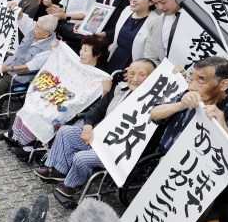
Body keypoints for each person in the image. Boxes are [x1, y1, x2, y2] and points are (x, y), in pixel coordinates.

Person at [150, 56, 228, 203]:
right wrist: (180, 105)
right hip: (164, 163)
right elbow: (154, 115)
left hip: (198, 184)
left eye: (201, 80)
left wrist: (226, 130)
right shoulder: (186, 96)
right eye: (191, 78)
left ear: (223, 84)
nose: (192, 86)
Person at [38, 59, 156, 202]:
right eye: (131, 73)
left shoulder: (155, 103)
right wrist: (88, 125)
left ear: (153, 77)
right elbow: (98, 108)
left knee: (81, 157)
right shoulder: (121, 90)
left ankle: (74, 185)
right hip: (100, 138)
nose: (135, 78)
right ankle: (59, 170)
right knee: (65, 131)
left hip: (120, 150)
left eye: (142, 75)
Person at [0, 12, 58, 123]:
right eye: (36, 25)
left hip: (21, 73)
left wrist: (9, 68)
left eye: (37, 27)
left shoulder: (49, 48)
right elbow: (24, 20)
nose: (34, 28)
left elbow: (30, 66)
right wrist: (18, 12)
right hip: (10, 63)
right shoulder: (34, 32)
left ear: (46, 33)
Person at [105, 0, 159, 73]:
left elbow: (151, 54)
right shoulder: (126, 10)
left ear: (151, 2)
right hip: (115, 59)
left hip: (135, 67)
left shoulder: (155, 21)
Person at [143, 0, 189, 64]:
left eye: (163, 2)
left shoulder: (200, 20)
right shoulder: (154, 24)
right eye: (155, 3)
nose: (160, 7)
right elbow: (150, 57)